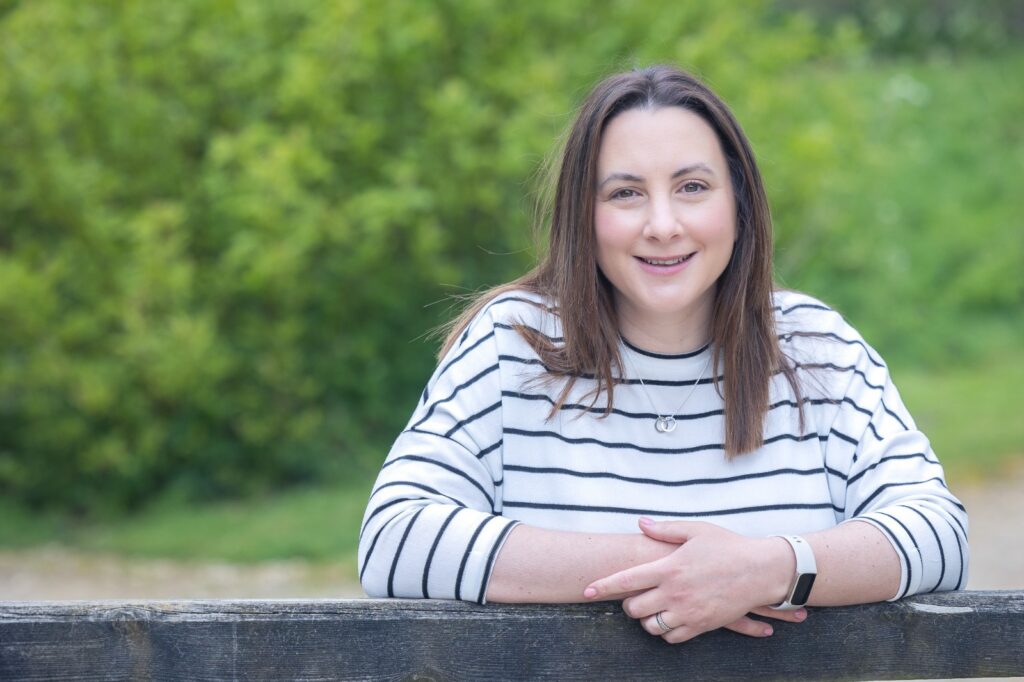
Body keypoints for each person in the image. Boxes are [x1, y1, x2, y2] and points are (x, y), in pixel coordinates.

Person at [358, 65, 968, 643]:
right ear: (584, 216)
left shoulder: (819, 349)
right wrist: (686, 571)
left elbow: (938, 534)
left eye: (693, 187)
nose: (663, 224)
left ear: (739, 203)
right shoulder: (513, 346)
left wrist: (769, 567)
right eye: (626, 193)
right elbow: (393, 538)